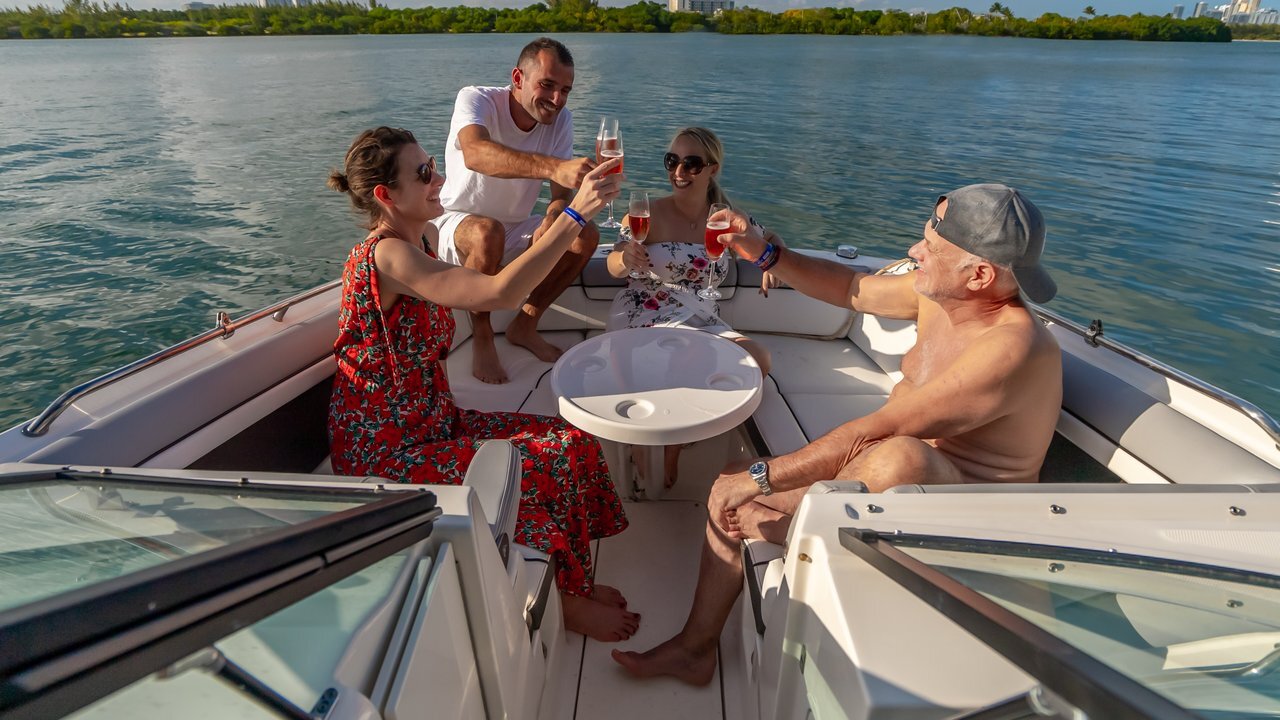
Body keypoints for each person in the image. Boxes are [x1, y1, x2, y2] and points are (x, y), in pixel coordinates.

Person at [613, 183, 1063, 682]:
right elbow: (854, 288)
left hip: (962, 519)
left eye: (931, 248)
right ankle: (696, 650)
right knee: (733, 484)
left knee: (891, 458)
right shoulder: (945, 295)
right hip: (883, 479)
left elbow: (879, 431)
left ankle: (796, 528)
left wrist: (763, 478)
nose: (914, 252)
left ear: (978, 274)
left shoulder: (1010, 349)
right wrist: (762, 250)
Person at [326, 126, 641, 642]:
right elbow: (498, 293)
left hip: (431, 424)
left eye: (433, 165)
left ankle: (571, 583)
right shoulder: (389, 257)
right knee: (539, 465)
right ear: (386, 195)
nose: (440, 178)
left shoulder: (419, 242)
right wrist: (575, 216)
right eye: (424, 173)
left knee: (571, 441)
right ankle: (569, 598)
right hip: (387, 449)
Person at [606, 127, 773, 488]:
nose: (679, 172)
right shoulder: (646, 212)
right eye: (672, 161)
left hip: (699, 314)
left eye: (691, 164)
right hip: (645, 309)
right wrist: (624, 258)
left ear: (712, 169)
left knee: (758, 358)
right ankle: (661, 441)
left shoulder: (726, 217)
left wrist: (768, 264)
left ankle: (678, 437)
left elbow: (769, 239)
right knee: (685, 356)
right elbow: (612, 263)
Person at [433, 37, 598, 385]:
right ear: (518, 78)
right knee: (486, 231)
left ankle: (526, 322)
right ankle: (482, 333)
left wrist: (555, 216)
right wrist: (553, 167)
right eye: (548, 86)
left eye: (565, 90)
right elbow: (476, 153)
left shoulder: (560, 119)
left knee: (584, 235)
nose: (557, 100)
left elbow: (559, 196)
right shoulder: (476, 98)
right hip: (455, 223)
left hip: (516, 225)